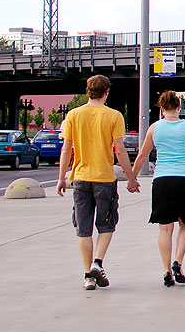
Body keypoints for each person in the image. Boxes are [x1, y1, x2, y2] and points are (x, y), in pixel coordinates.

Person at [56, 74, 139, 291]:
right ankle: (98, 262)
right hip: (104, 178)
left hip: (81, 178)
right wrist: (131, 177)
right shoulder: (114, 116)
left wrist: (61, 178)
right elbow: (119, 150)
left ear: (88, 91)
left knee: (83, 229)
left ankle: (88, 277)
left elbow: (66, 149)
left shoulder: (73, 115)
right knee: (107, 224)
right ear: (106, 92)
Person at [132, 91, 185, 287]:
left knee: (165, 228)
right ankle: (178, 262)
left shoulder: (154, 128)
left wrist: (131, 177)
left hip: (162, 180)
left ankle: (166, 270)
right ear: (178, 107)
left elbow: (143, 154)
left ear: (161, 109)